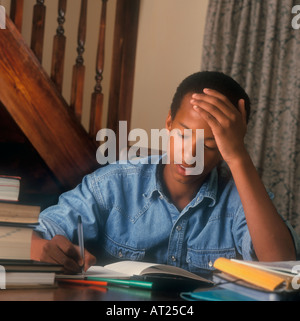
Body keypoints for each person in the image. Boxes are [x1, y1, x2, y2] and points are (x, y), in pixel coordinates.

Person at [31, 71, 299, 274]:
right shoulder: (112, 185)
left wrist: (238, 156)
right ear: (168, 123)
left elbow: (282, 268)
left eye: (209, 145)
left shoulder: (241, 200)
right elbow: (32, 236)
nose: (189, 156)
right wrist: (44, 249)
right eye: (182, 135)